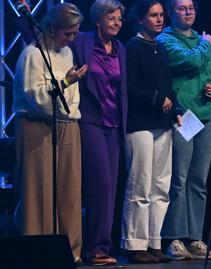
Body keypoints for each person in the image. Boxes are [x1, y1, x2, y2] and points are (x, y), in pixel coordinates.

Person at [12, 3, 86, 264]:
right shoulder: (32, 54)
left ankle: (69, 250)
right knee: (38, 190)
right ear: (52, 28)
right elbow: (37, 98)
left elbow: (71, 97)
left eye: (75, 33)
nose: (72, 39)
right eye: (68, 33)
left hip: (66, 124)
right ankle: (36, 250)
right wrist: (66, 83)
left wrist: (69, 95)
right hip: (36, 125)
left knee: (68, 189)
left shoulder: (66, 52)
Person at [157, 0, 211, 260]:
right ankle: (174, 237)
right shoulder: (166, 40)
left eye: (191, 8)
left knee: (199, 181)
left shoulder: (204, 40)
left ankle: (195, 237)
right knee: (179, 179)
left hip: (207, 117)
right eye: (182, 9)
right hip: (184, 116)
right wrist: (206, 44)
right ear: (172, 13)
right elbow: (189, 62)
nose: (188, 13)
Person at [121, 0, 182, 263]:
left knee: (161, 186)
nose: (159, 19)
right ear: (140, 19)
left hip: (162, 124)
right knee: (140, 185)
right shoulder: (132, 48)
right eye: (153, 15)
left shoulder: (160, 47)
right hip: (141, 124)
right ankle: (135, 244)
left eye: (161, 15)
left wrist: (175, 107)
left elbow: (168, 84)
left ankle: (154, 242)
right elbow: (129, 88)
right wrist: (157, 99)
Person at [69, 0, 128, 265]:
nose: (117, 23)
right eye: (111, 18)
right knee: (99, 184)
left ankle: (101, 246)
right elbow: (49, 45)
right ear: (98, 20)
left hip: (114, 125)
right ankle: (93, 247)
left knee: (111, 187)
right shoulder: (81, 42)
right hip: (90, 121)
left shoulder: (120, 49)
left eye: (119, 19)